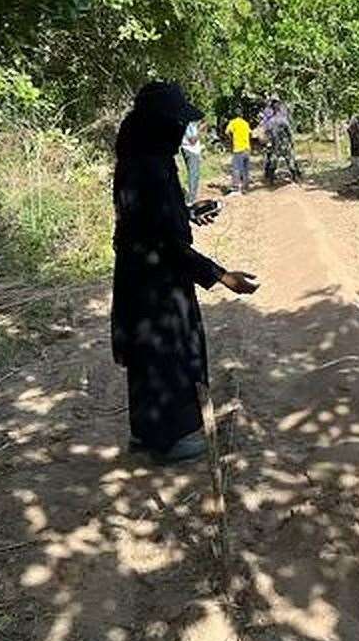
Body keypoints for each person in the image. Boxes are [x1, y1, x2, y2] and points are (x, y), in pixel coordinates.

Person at [111, 82, 260, 464]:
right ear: (159, 124)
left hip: (141, 274)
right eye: (176, 122)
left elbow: (153, 222)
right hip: (155, 282)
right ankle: (168, 440)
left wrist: (188, 213)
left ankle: (145, 434)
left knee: (149, 354)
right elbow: (165, 244)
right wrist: (221, 275)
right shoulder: (149, 168)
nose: (181, 129)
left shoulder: (141, 158)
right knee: (167, 353)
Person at [259, 94, 302, 183]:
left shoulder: (274, 119)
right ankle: (293, 177)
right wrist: (292, 141)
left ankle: (273, 178)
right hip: (280, 144)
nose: (275, 105)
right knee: (281, 160)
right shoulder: (279, 118)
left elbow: (268, 131)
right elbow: (289, 131)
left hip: (279, 144)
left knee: (280, 161)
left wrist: (267, 141)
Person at [225, 111, 252, 195]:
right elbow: (250, 133)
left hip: (238, 148)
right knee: (245, 169)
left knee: (236, 168)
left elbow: (227, 132)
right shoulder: (245, 123)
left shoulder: (233, 122)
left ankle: (236, 188)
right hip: (247, 148)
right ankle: (245, 188)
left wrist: (231, 138)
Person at [181, 119, 203, 203]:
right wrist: (201, 129)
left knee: (194, 173)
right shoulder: (188, 123)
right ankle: (191, 200)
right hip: (191, 150)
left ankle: (192, 197)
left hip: (188, 149)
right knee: (194, 174)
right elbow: (193, 140)